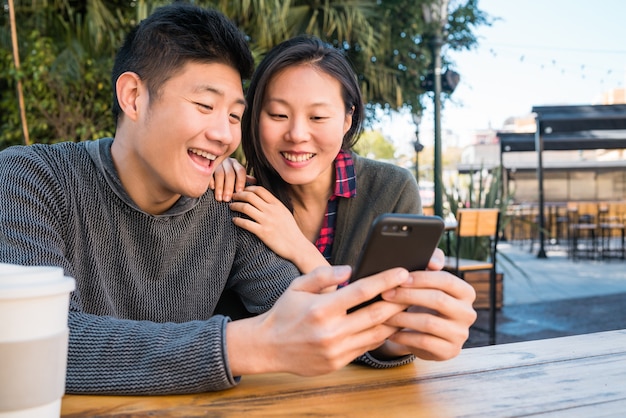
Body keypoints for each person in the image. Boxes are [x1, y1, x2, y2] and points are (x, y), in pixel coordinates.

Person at [0, 4, 474, 395]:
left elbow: (301, 315)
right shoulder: (30, 178)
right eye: (205, 107)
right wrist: (245, 346)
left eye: (234, 114)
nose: (223, 134)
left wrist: (394, 337)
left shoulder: (229, 201)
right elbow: (32, 343)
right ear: (133, 96)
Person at [225, 34, 477, 359]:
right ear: (254, 117)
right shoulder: (239, 196)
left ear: (347, 119)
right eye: (277, 115)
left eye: (317, 117)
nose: (297, 134)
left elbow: (392, 324)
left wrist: (299, 248)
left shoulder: (392, 189)